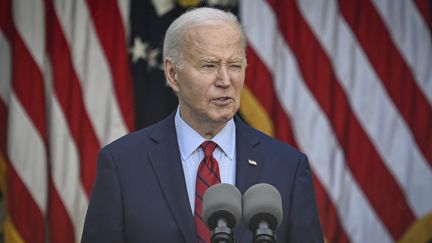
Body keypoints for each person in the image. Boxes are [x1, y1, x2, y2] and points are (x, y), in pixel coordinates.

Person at [81, 7, 323, 243]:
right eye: (209, 65)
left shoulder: (288, 168)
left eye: (235, 66)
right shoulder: (123, 164)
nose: (225, 80)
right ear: (173, 73)